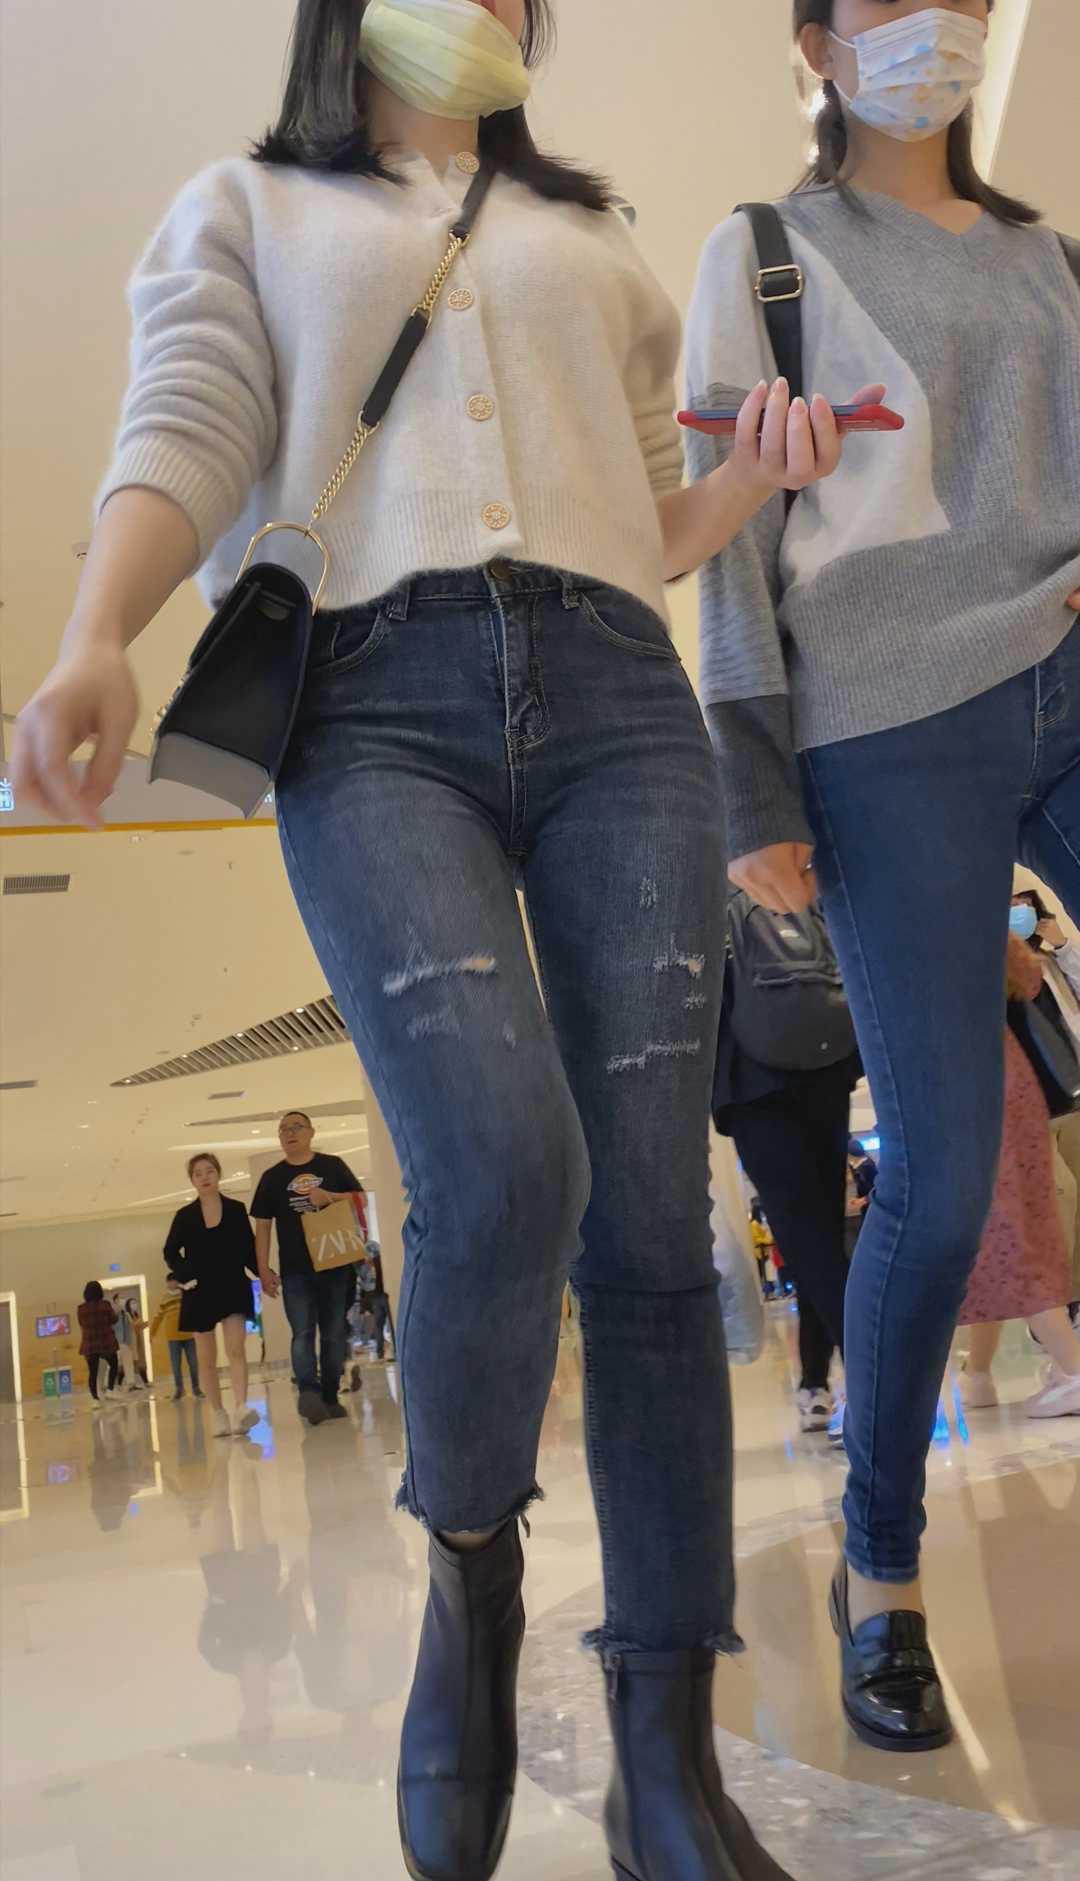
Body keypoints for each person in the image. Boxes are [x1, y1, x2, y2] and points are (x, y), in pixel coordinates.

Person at [10, 0, 856, 1871]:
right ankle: (471, 1575)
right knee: (498, 1162)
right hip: (369, 708)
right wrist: (95, 634)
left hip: (621, 697)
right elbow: (192, 423)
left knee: (656, 1222)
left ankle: (667, 1754)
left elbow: (643, 519)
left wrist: (755, 478)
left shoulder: (593, 234)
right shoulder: (247, 206)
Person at [686, 0, 1080, 1754]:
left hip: (1066, 665)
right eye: (894, 1)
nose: (945, 25)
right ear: (817, 42)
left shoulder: (1046, 257)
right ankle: (885, 1565)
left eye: (971, 1)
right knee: (937, 1156)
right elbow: (729, 534)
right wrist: (750, 774)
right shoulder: (766, 255)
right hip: (883, 722)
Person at [713, 889, 860, 1435]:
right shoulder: (795, 876)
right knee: (819, 1235)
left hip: (754, 1081)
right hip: (826, 1065)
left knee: (807, 1239)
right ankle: (814, 1381)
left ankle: (874, 1383)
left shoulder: (705, 880)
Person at [958, 935, 1080, 1417]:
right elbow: (1029, 978)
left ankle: (1075, 1368)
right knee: (1006, 1229)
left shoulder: (914, 929)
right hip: (1015, 1078)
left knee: (1002, 1230)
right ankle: (977, 1374)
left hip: (965, 1085)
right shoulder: (980, 919)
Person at [251, 1114, 365, 1429]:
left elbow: (360, 1199)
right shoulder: (272, 1178)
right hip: (295, 1269)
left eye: (296, 1127)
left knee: (333, 1332)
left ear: (311, 1132)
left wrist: (329, 1196)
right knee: (302, 1332)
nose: (289, 1133)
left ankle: (330, 1395)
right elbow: (263, 1226)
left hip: (335, 1264)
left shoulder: (333, 1166)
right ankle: (308, 1392)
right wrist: (263, 1269)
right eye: (283, 1130)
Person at [164, 1153, 259, 1439]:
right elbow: (170, 1251)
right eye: (198, 1173)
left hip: (232, 1284)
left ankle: (241, 1407)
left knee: (236, 1348)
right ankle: (218, 1412)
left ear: (218, 1174)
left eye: (209, 1171)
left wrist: (264, 1275)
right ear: (192, 1180)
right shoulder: (184, 1216)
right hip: (199, 1290)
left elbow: (248, 1248)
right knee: (206, 1357)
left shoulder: (236, 1209)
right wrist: (184, 1274)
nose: (204, 1177)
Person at [150, 1274, 204, 1403]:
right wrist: (152, 1333)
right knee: (175, 1365)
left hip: (188, 1334)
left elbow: (193, 1310)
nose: (171, 1284)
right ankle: (179, 1390)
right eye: (169, 1282)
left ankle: (196, 1388)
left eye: (173, 1281)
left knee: (193, 1363)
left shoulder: (185, 1294)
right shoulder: (164, 1299)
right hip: (172, 1337)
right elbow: (158, 1317)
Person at [77, 1281, 119, 1405]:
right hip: (106, 1341)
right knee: (114, 1364)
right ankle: (110, 1389)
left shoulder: (81, 1309)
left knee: (93, 1372)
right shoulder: (105, 1305)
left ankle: (95, 1399)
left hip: (90, 1343)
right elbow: (114, 1320)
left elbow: (81, 1324)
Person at [123, 1297, 150, 1393]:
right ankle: (128, 1384)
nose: (135, 1305)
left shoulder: (136, 1314)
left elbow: (139, 1326)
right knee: (133, 1362)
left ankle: (145, 1382)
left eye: (135, 1303)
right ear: (128, 1306)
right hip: (132, 1341)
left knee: (141, 1361)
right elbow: (132, 1326)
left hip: (138, 1340)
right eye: (132, 1303)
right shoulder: (127, 1315)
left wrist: (146, 1324)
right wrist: (139, 1323)